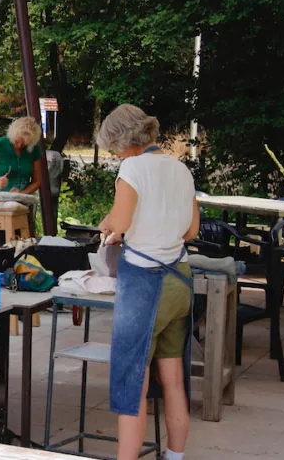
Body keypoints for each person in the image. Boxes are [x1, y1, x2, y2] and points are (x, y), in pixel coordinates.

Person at [96, 105, 200, 460]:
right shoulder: (180, 168)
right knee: (173, 380)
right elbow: (191, 230)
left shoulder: (133, 167)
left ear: (122, 140)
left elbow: (121, 223)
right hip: (180, 278)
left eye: (112, 147)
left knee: (132, 384)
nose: (113, 154)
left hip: (145, 281)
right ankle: (175, 456)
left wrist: (109, 225)